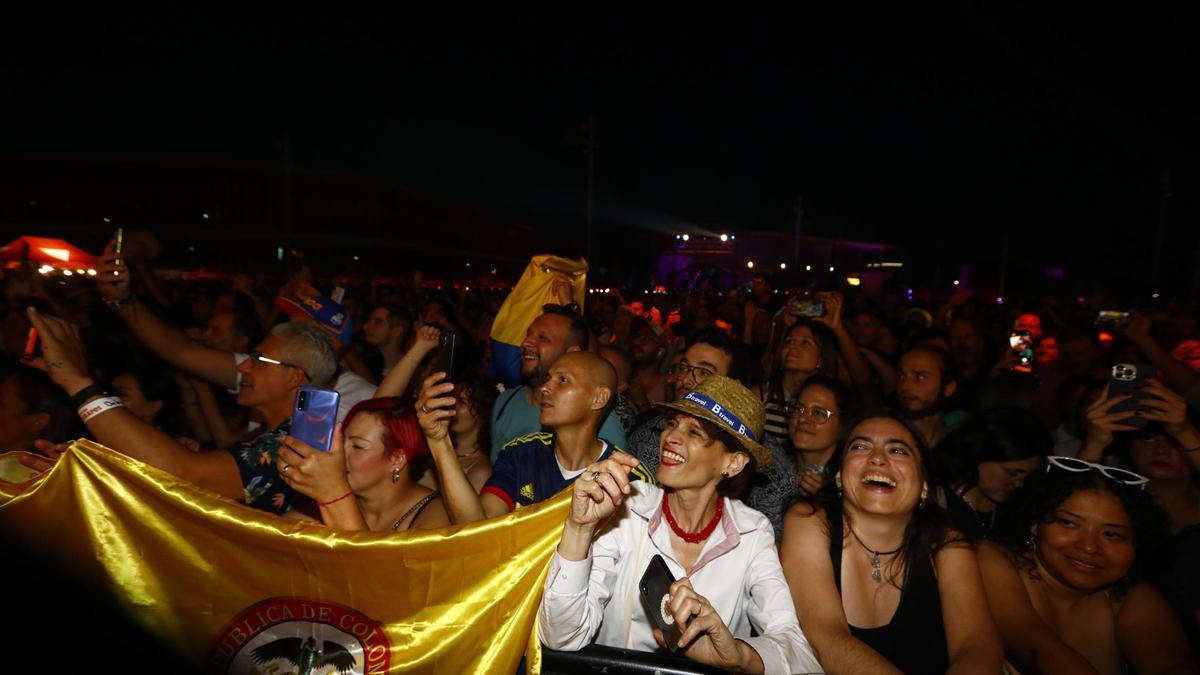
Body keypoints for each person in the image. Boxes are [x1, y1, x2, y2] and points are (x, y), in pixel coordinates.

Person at [538, 375, 822, 674]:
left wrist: (738, 654)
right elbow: (561, 637)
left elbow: (798, 652)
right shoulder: (627, 509)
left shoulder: (752, 532)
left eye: (695, 432)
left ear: (732, 463)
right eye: (672, 424)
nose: (670, 437)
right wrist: (579, 528)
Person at [25, 307, 336, 515]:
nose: (243, 366)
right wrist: (93, 470)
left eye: (257, 359)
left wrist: (78, 385)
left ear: (295, 376)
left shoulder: (297, 445)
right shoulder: (286, 431)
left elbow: (187, 474)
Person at [780, 410, 1003, 673]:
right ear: (839, 475)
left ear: (924, 486)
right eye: (860, 447)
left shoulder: (948, 544)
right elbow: (822, 636)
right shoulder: (809, 520)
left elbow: (977, 648)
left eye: (898, 451)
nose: (877, 458)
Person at [977, 457, 1197, 674]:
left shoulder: (1127, 595)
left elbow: (1171, 664)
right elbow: (1038, 649)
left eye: (1112, 535)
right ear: (1035, 523)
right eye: (1069, 524)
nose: (1090, 547)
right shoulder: (992, 560)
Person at [418, 350, 653, 524]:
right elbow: (477, 524)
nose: (545, 388)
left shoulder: (627, 478)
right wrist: (439, 442)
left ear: (599, 398)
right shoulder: (521, 454)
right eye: (548, 379)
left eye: (562, 380)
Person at [275, 397, 449, 532]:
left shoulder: (437, 516)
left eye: (358, 446)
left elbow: (375, 573)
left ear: (397, 459)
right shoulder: (318, 511)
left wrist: (334, 495)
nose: (340, 455)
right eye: (341, 442)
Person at [490, 304, 626, 460]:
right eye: (528, 334)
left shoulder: (596, 420)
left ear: (572, 352)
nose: (526, 343)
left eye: (542, 338)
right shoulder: (506, 401)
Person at [935, 406, 1050, 540]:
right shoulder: (936, 503)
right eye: (1012, 473)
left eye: (1028, 475)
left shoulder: (1020, 508)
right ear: (979, 454)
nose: (1019, 484)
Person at [788, 375, 856, 497]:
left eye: (818, 413)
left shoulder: (850, 485)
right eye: (799, 408)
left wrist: (828, 497)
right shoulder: (771, 464)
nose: (802, 418)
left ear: (842, 425)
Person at [895, 345, 958, 447]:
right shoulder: (882, 437)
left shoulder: (961, 445)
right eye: (901, 376)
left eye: (920, 377)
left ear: (948, 388)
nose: (905, 385)